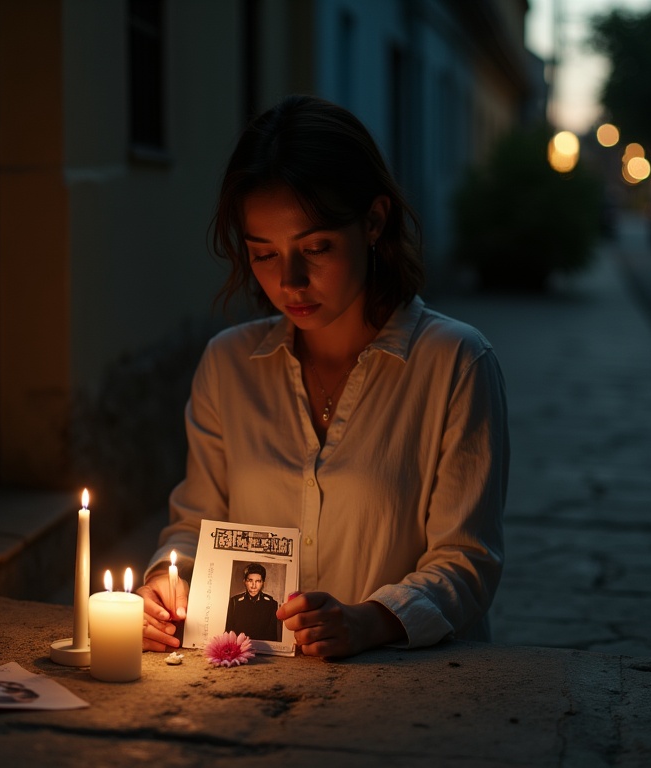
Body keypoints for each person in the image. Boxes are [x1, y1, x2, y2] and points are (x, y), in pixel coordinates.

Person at [136, 94, 508, 659]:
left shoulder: (454, 363)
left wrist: (369, 621)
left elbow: (466, 561)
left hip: (409, 696)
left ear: (374, 221)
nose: (290, 280)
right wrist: (168, 580)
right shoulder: (230, 365)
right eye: (263, 254)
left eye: (315, 248)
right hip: (255, 694)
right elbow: (195, 525)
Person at [224, 562, 281, 640]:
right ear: (244, 582)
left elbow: (272, 636)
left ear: (263, 583)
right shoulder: (234, 602)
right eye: (250, 581)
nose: (253, 586)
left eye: (258, 581)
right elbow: (228, 633)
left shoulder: (271, 604)